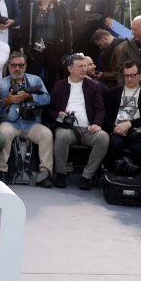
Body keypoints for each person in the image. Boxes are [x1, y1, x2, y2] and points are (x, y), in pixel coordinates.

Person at [47, 53, 109, 189]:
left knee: (103, 138)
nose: (84, 69)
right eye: (80, 66)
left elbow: (100, 109)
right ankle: (61, 173)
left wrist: (97, 124)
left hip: (88, 128)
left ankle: (87, 176)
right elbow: (50, 109)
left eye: (85, 66)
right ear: (70, 68)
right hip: (68, 127)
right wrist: (59, 114)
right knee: (61, 135)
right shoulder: (60, 85)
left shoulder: (93, 86)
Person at [0, 51, 53, 186]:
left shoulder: (35, 80)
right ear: (9, 67)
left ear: (25, 66)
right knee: (3, 132)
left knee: (47, 134)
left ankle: (45, 173)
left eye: (21, 65)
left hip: (31, 123)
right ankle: (2, 171)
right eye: (14, 65)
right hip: (10, 123)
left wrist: (30, 97)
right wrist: (7, 101)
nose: (17, 68)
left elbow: (47, 99)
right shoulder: (2, 84)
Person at [21, 0, 72, 90]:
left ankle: (52, 105)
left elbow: (68, 31)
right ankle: (34, 104)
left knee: (53, 81)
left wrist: (67, 51)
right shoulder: (33, 6)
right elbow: (25, 29)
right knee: (34, 79)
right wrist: (24, 48)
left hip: (54, 49)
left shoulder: (60, 6)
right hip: (35, 50)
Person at [104, 60, 141, 170]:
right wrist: (115, 128)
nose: (129, 79)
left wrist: (130, 124)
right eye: (126, 76)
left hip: (139, 131)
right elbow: (107, 116)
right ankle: (113, 175)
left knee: (139, 147)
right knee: (115, 144)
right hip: (117, 130)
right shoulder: (114, 92)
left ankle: (136, 176)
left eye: (133, 75)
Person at [103, 15, 141, 89]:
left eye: (135, 30)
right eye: (132, 29)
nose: (132, 33)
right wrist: (125, 89)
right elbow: (119, 71)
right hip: (132, 91)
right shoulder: (125, 47)